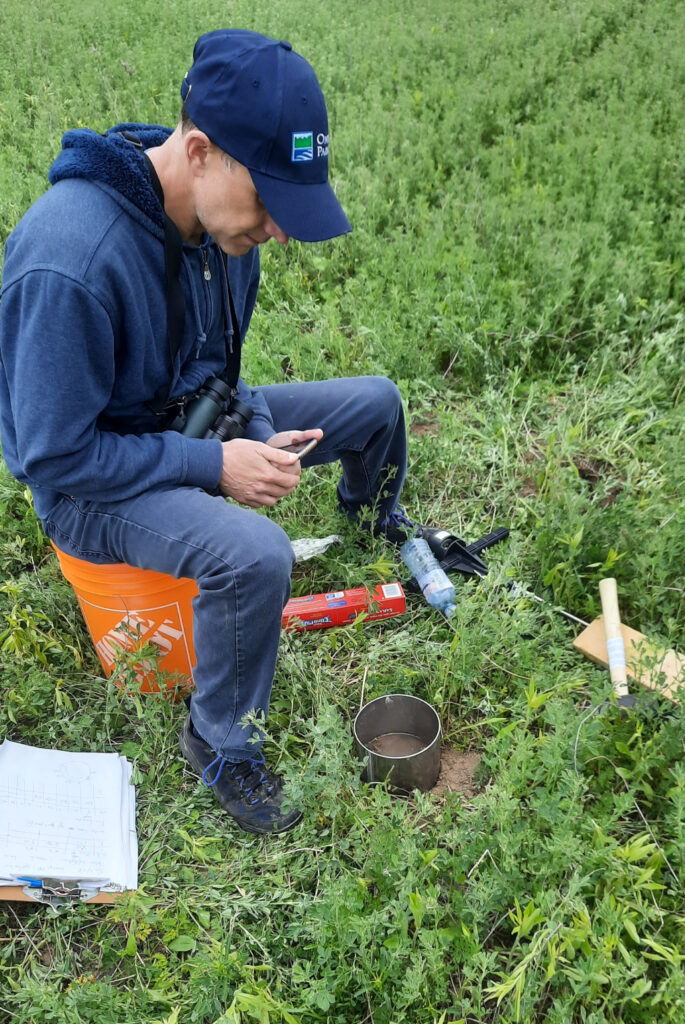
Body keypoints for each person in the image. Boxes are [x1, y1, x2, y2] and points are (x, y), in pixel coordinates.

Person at [0, 29, 409, 835]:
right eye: (269, 204)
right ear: (198, 150)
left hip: (183, 430)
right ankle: (220, 743)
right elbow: (47, 454)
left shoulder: (223, 233)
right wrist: (213, 465)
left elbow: (218, 372)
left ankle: (373, 521)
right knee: (252, 555)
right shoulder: (69, 260)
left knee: (377, 401)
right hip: (92, 484)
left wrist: (253, 428)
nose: (278, 232)